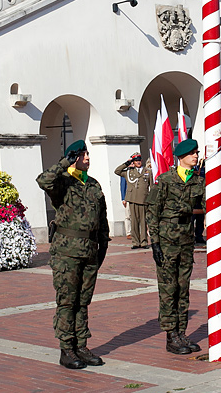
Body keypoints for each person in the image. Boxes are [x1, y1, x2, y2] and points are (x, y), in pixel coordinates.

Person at [36, 140, 110, 370]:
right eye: (83, 154)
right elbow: (42, 180)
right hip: (66, 252)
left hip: (89, 250)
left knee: (83, 301)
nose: (88, 158)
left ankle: (81, 345)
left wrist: (103, 246)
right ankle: (66, 349)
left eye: (88, 154)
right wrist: (64, 163)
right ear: (74, 158)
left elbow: (103, 218)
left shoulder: (94, 185)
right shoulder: (63, 183)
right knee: (67, 301)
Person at [147, 138, 206, 355]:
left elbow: (213, 205)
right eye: (192, 154)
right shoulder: (165, 180)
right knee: (168, 289)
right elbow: (152, 212)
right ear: (181, 157)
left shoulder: (198, 182)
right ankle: (170, 334)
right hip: (167, 241)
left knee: (183, 289)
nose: (196, 156)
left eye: (197, 153)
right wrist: (154, 243)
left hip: (186, 241)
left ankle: (182, 332)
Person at [115, 153, 152, 249]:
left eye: (139, 160)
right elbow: (117, 171)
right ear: (133, 162)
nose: (138, 162)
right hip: (132, 199)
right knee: (134, 222)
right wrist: (127, 163)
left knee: (143, 222)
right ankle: (135, 242)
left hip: (143, 199)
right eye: (136, 161)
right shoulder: (128, 172)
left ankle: (143, 242)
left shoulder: (147, 171)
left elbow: (152, 186)